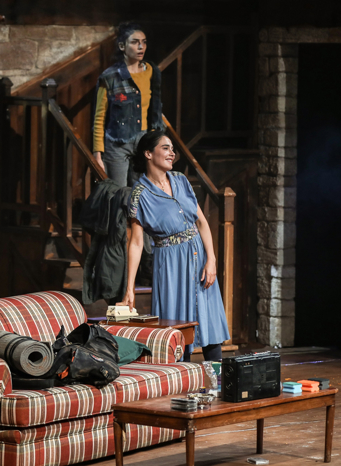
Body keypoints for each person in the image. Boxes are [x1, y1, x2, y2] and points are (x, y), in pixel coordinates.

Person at [120, 131, 230, 361]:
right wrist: (130, 287)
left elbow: (201, 222)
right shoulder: (139, 195)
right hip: (171, 265)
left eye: (172, 148)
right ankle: (182, 378)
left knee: (210, 324)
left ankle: (218, 378)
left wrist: (211, 259)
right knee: (178, 328)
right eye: (165, 148)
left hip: (198, 258)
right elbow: (136, 243)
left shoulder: (180, 180)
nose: (172, 153)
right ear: (148, 154)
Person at [93, 22, 164, 186]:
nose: (141, 47)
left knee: (141, 192)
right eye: (135, 42)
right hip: (117, 143)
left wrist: (155, 140)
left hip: (143, 142)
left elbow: (155, 107)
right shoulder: (110, 77)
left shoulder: (151, 72)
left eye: (144, 42)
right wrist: (97, 154)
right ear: (122, 46)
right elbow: (99, 117)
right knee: (118, 193)